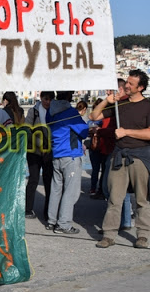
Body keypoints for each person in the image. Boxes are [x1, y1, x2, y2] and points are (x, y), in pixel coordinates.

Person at [91, 69, 150, 248]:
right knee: (114, 198)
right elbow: (94, 116)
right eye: (126, 82)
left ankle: (143, 235)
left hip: (140, 156)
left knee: (142, 199)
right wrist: (106, 101)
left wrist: (127, 132)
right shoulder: (119, 104)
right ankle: (109, 235)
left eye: (131, 84)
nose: (126, 85)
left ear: (140, 87)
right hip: (119, 155)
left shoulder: (148, 106)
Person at [46, 91, 88, 234]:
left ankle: (51, 220)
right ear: (70, 97)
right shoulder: (71, 112)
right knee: (71, 191)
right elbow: (83, 131)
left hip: (56, 153)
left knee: (56, 189)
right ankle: (63, 224)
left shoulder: (50, 112)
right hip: (70, 154)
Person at [24, 91, 54, 220]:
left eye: (50, 99)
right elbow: (26, 129)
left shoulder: (54, 112)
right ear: (41, 98)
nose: (48, 102)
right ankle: (28, 209)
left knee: (49, 181)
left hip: (49, 152)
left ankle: (48, 212)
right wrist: (39, 142)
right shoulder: (33, 111)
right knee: (33, 179)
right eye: (46, 99)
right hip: (34, 152)